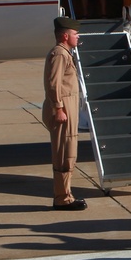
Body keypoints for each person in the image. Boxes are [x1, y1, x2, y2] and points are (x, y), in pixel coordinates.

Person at [42, 16, 88, 211]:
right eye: (75, 34)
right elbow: (53, 84)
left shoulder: (65, 52)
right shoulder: (59, 54)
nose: (78, 37)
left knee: (68, 152)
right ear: (64, 35)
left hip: (67, 107)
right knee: (63, 155)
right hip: (62, 110)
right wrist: (58, 109)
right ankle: (62, 198)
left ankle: (65, 195)